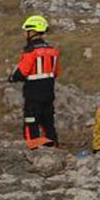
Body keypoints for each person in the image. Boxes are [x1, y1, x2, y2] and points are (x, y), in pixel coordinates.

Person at [9, 15, 60, 149]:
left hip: (33, 96)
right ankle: (54, 149)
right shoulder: (53, 51)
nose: (24, 34)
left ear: (32, 31)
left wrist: (12, 77)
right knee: (48, 124)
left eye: (26, 31)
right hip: (49, 94)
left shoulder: (30, 52)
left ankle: (34, 150)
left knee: (31, 124)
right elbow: (55, 73)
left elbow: (21, 73)